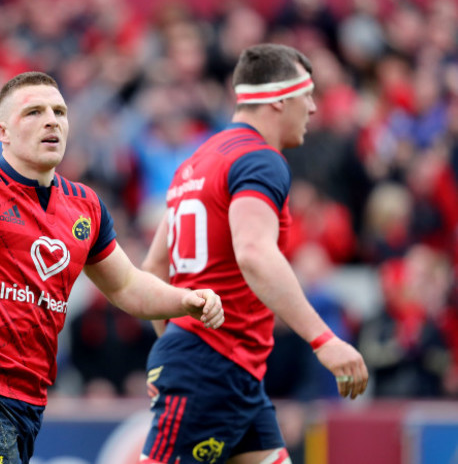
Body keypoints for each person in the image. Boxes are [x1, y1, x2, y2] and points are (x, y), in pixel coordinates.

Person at [0, 72, 224, 463]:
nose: (52, 120)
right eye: (34, 112)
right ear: (3, 132)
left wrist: (187, 299)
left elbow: (127, 287)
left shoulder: (85, 205)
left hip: (28, 401)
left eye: (60, 111)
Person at [139, 44, 369, 464]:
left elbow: (155, 267)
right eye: (308, 95)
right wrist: (324, 340)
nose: (314, 108)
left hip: (226, 368)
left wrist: (174, 345)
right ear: (280, 99)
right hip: (213, 365)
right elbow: (254, 253)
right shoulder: (261, 159)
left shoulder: (195, 162)